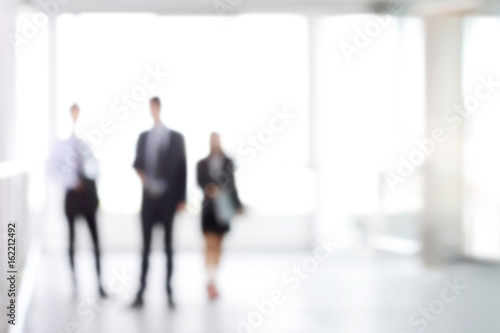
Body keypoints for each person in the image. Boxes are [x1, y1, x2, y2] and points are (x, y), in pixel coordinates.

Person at [131, 96, 187, 308]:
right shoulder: (143, 137)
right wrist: (147, 182)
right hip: (148, 200)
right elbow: (138, 164)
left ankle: (169, 293)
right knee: (145, 247)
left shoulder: (176, 138)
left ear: (159, 108)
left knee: (168, 246)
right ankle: (140, 293)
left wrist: (181, 199)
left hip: (168, 200)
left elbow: (183, 169)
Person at [49, 104, 106, 298]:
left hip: (88, 197)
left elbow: (95, 167)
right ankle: (74, 284)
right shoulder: (60, 144)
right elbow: (52, 170)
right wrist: (73, 182)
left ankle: (100, 284)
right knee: (72, 240)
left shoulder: (86, 143)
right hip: (72, 196)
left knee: (95, 240)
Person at [197, 132, 243, 300]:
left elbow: (233, 184)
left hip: (223, 209)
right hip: (208, 209)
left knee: (219, 245)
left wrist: (238, 206)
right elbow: (200, 182)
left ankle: (214, 277)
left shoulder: (228, 162)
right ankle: (210, 280)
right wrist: (210, 190)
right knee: (209, 244)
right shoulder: (201, 163)